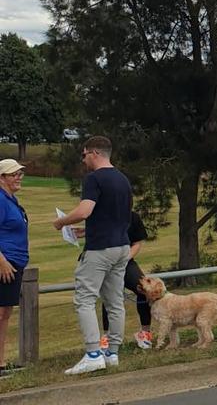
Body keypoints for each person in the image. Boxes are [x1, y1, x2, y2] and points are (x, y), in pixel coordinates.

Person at [53, 135, 133, 375]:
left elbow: (85, 210)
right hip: (122, 246)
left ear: (95, 153)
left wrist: (62, 222)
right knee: (114, 300)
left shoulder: (94, 178)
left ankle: (93, 353)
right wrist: (85, 230)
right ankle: (113, 352)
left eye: (84, 154)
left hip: (100, 249)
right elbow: (114, 216)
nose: (84, 159)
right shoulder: (123, 179)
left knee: (84, 299)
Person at [99, 211, 152, 350]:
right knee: (109, 295)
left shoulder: (132, 216)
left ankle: (145, 332)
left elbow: (137, 243)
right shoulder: (101, 214)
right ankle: (107, 337)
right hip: (105, 261)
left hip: (126, 261)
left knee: (144, 289)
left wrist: (125, 258)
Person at [0, 160, 28, 377]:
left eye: (20, 173)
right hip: (5, 264)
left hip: (15, 262)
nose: (18, 177)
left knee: (5, 313)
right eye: (13, 174)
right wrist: (2, 261)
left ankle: (1, 363)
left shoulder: (11, 199)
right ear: (2, 178)